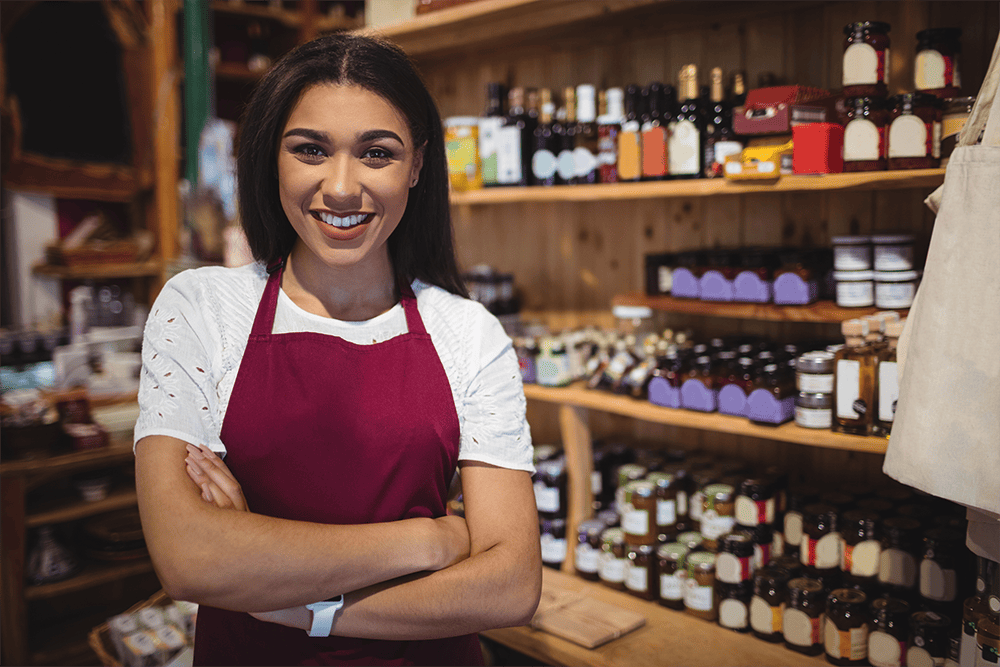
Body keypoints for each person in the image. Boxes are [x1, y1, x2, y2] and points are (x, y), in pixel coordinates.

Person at [133, 33, 541, 666]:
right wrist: (427, 540)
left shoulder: (469, 332)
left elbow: (511, 584)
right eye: (311, 150)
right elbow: (189, 559)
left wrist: (287, 602)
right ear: (274, 156)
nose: (343, 186)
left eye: (377, 153)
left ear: (417, 166)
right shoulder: (201, 308)